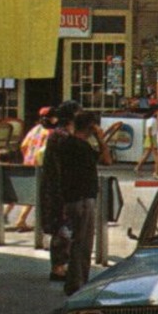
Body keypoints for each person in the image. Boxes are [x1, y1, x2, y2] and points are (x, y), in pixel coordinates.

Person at [49, 109, 113, 295]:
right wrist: (101, 139)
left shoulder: (66, 144)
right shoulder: (82, 147)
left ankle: (74, 281)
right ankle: (78, 283)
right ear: (91, 127)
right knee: (83, 244)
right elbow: (107, 160)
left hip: (70, 199)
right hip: (83, 199)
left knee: (75, 241)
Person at [38, 100, 78, 282]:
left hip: (56, 188)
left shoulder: (58, 135)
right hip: (60, 190)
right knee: (62, 229)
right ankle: (59, 267)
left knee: (63, 229)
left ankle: (61, 265)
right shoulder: (63, 137)